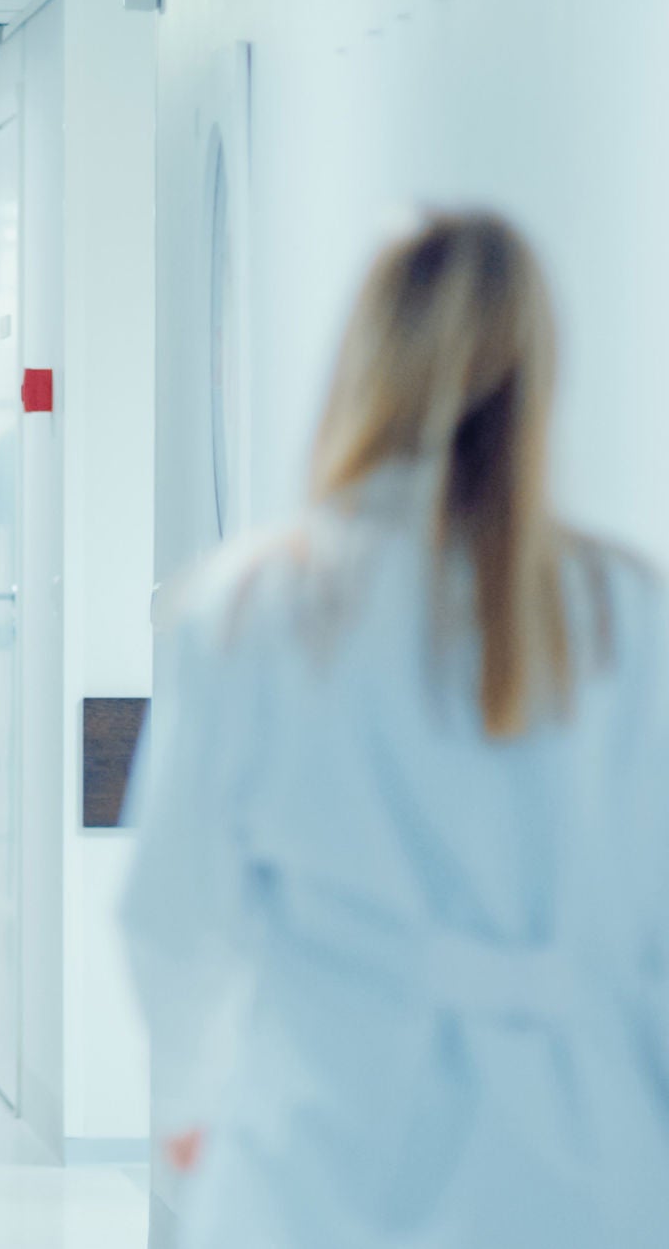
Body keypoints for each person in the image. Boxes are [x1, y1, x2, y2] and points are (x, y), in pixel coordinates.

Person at [119, 212, 669, 1248]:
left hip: (323, 1146)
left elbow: (175, 911)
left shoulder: (255, 606)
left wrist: (189, 1107)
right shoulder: (618, 609)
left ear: (363, 365)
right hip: (582, 1159)